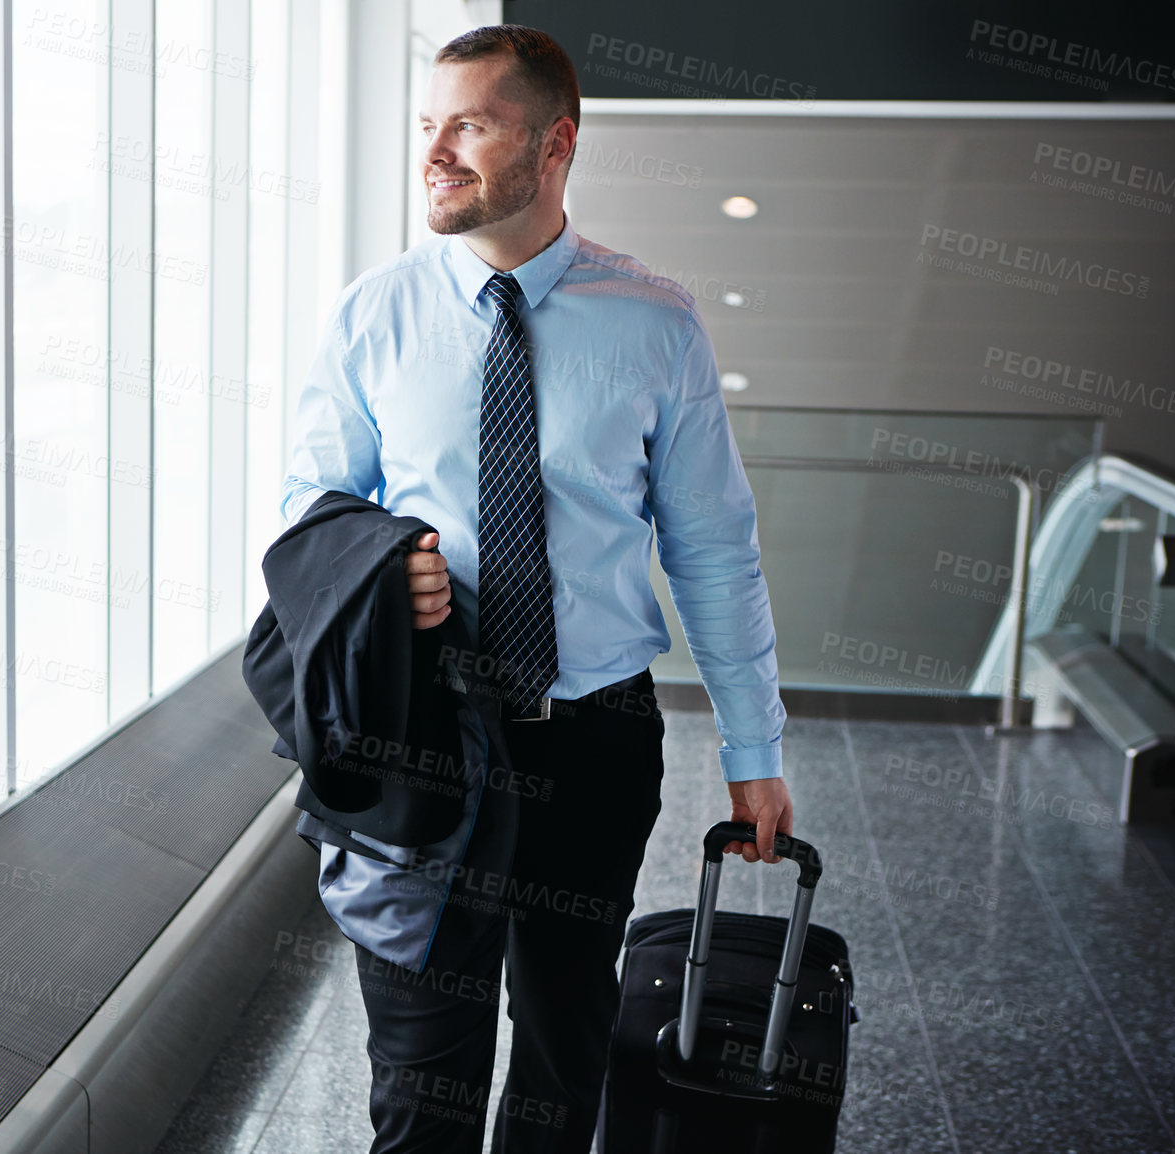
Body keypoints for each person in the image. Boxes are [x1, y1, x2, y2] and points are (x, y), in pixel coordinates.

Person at [279, 24, 791, 1153]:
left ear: (555, 143)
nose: (434, 152)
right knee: (422, 1066)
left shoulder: (655, 320)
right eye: (427, 125)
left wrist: (755, 749)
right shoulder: (376, 314)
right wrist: (385, 564)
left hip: (592, 741)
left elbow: (712, 545)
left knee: (564, 1042)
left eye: (470, 124)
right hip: (427, 740)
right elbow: (308, 514)